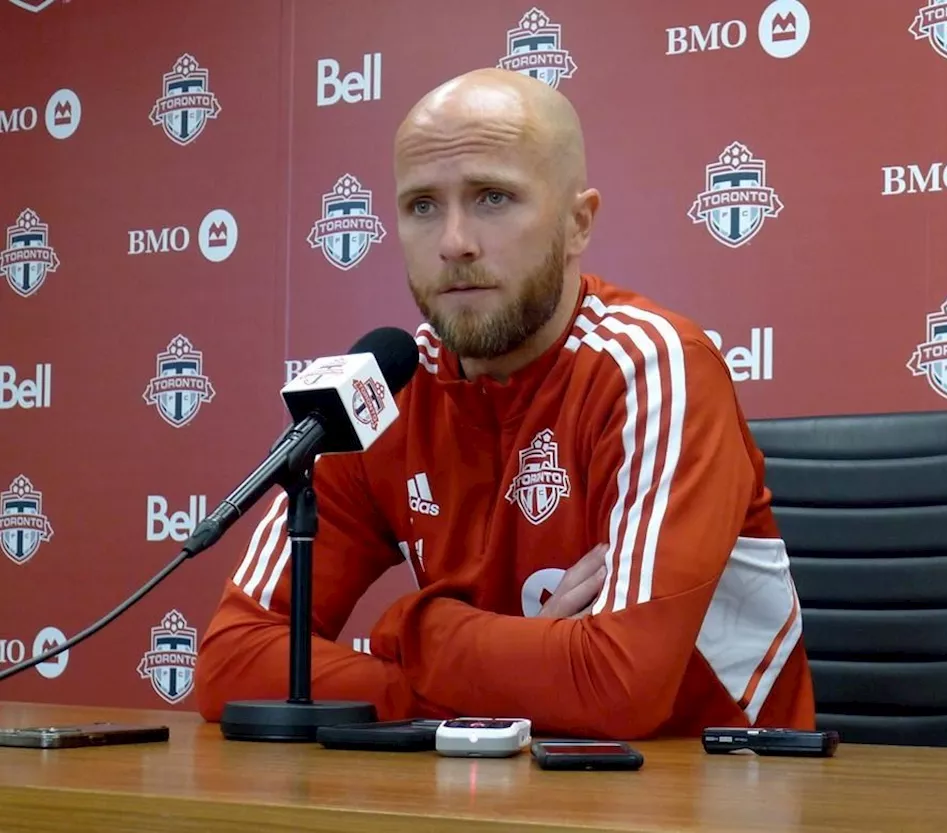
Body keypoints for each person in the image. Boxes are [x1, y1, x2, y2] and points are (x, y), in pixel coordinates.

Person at [193, 67, 815, 739]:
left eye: (492, 198)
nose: (454, 241)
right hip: (498, 786)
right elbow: (231, 660)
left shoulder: (654, 364)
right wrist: (474, 673)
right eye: (422, 205)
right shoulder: (379, 394)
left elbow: (616, 688)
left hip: (702, 788)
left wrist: (413, 627)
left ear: (578, 223)